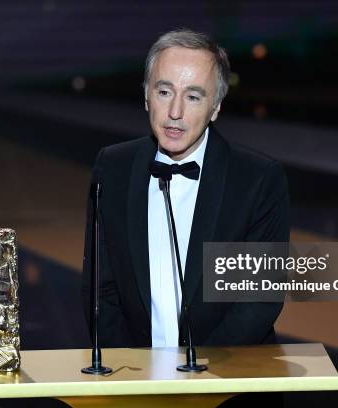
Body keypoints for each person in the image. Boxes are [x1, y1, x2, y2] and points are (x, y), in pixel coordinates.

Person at [82, 29, 289, 349]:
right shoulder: (112, 167)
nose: (175, 112)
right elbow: (100, 289)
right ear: (146, 95)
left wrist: (197, 379)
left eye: (193, 96)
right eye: (165, 92)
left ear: (216, 106)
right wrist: (135, 378)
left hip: (230, 382)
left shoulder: (257, 179)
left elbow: (258, 301)